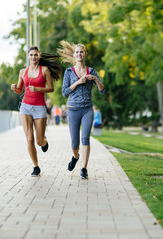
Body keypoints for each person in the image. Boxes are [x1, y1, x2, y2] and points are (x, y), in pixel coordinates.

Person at [11, 46, 61, 177]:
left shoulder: (45, 70)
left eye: (35, 55)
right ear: (28, 57)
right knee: (29, 138)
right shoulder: (22, 72)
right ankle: (36, 166)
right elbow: (19, 90)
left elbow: (51, 88)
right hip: (25, 107)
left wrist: (38, 89)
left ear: (39, 56)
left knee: (38, 141)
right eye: (31, 55)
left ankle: (44, 140)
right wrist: (14, 88)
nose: (33, 57)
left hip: (39, 108)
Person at [59, 41, 105, 179]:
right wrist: (78, 82)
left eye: (81, 52)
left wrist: (96, 79)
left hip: (87, 109)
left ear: (85, 54)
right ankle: (75, 156)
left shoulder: (91, 71)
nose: (79, 54)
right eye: (77, 52)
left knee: (85, 138)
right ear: (74, 54)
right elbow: (64, 92)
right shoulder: (68, 72)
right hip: (73, 109)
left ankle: (84, 169)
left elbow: (102, 90)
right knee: (74, 143)